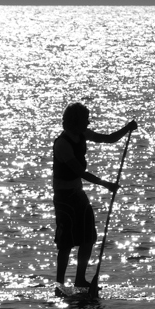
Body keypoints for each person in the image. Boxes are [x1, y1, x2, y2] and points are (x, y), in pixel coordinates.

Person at [53, 102, 137, 295]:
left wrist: (127, 128)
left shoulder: (83, 134)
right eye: (85, 119)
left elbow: (108, 139)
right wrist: (106, 184)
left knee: (88, 237)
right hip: (64, 197)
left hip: (78, 194)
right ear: (76, 121)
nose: (88, 122)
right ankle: (59, 284)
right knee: (66, 242)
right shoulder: (62, 144)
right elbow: (80, 172)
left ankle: (80, 280)